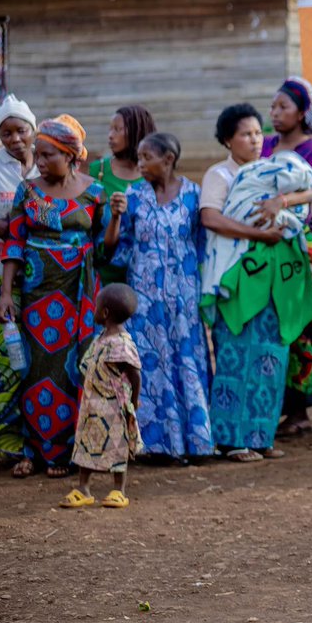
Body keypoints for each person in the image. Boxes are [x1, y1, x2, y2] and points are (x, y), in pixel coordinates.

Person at [0, 115, 108, 478]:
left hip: (79, 293)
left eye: (47, 156)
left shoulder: (95, 192)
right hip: (36, 293)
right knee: (33, 368)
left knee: (74, 368)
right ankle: (33, 450)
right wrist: (6, 294)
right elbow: (14, 242)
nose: (39, 163)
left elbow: (105, 247)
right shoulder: (28, 191)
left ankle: (67, 450)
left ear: (71, 156)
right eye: (38, 155)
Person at [199, 104, 305, 463]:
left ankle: (262, 435)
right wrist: (258, 233)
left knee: (270, 354)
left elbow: (311, 190)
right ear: (228, 140)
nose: (255, 139)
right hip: (236, 276)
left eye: (259, 132)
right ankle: (231, 440)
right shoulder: (221, 175)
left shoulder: (274, 171)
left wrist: (282, 201)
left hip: (272, 277)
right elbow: (210, 218)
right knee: (236, 353)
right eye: (246, 134)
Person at [103, 132, 211, 465]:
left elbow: (203, 246)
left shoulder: (194, 196)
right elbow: (113, 251)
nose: (139, 164)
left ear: (168, 159)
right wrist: (117, 217)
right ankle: (152, 444)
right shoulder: (133, 196)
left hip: (183, 300)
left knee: (186, 362)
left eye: (146, 157)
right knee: (149, 367)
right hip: (145, 302)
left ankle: (195, 442)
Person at [263, 77, 312, 438]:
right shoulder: (267, 145)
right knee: (270, 319)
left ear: (303, 113)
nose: (274, 113)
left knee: (301, 322)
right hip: (263, 242)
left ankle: (301, 409)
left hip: (301, 245)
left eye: (282, 107)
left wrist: (281, 203)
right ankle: (271, 404)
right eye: (272, 107)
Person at [60, 283, 141, 509]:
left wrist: (133, 403)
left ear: (104, 313)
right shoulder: (102, 338)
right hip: (92, 407)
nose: (93, 310)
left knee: (118, 446)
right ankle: (84, 488)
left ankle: (118, 490)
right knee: (86, 445)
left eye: (96, 307)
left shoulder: (122, 343)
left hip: (114, 407)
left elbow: (135, 375)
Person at [0, 94, 37, 462]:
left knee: (36, 359)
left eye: (20, 130)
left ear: (32, 131)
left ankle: (31, 440)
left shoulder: (49, 163)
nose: (14, 139)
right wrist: (16, 229)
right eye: (5, 133)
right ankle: (4, 441)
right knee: (6, 359)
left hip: (43, 279)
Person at [87, 105, 156, 285]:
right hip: (103, 273)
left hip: (144, 276)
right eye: (110, 129)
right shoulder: (98, 171)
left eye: (117, 129)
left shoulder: (153, 177)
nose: (110, 135)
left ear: (136, 132)